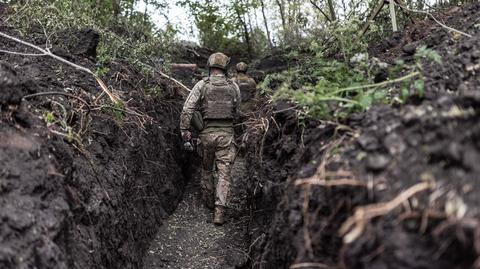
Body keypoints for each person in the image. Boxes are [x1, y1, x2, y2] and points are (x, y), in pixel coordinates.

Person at [179, 52, 241, 225]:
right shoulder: (233, 86)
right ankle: (219, 212)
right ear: (224, 67)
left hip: (206, 135)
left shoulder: (202, 84)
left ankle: (208, 201)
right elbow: (237, 109)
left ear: (210, 66)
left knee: (206, 168)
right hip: (227, 136)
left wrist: (185, 130)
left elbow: (187, 110)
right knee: (224, 173)